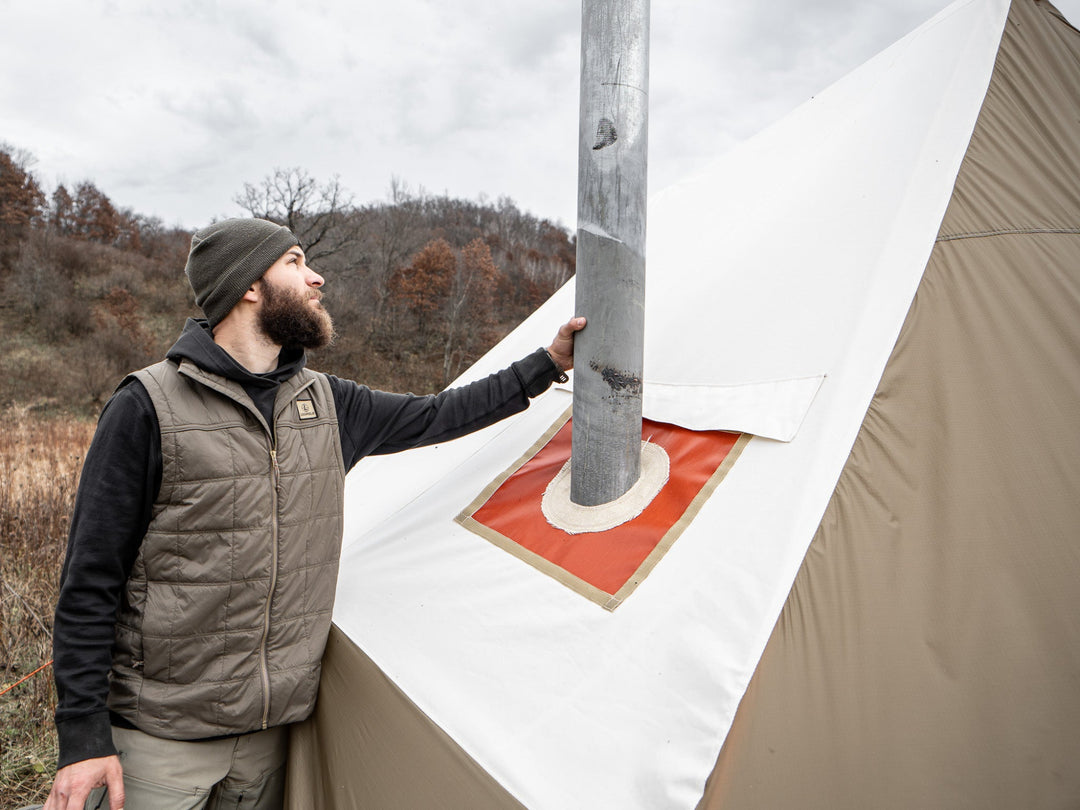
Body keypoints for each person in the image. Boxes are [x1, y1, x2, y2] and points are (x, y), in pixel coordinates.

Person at [43, 217, 585, 810]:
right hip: (161, 742)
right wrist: (82, 739)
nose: (317, 277)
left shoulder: (328, 404)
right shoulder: (146, 406)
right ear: (249, 285)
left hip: (271, 742)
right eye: (296, 262)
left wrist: (547, 363)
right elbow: (90, 582)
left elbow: (440, 414)